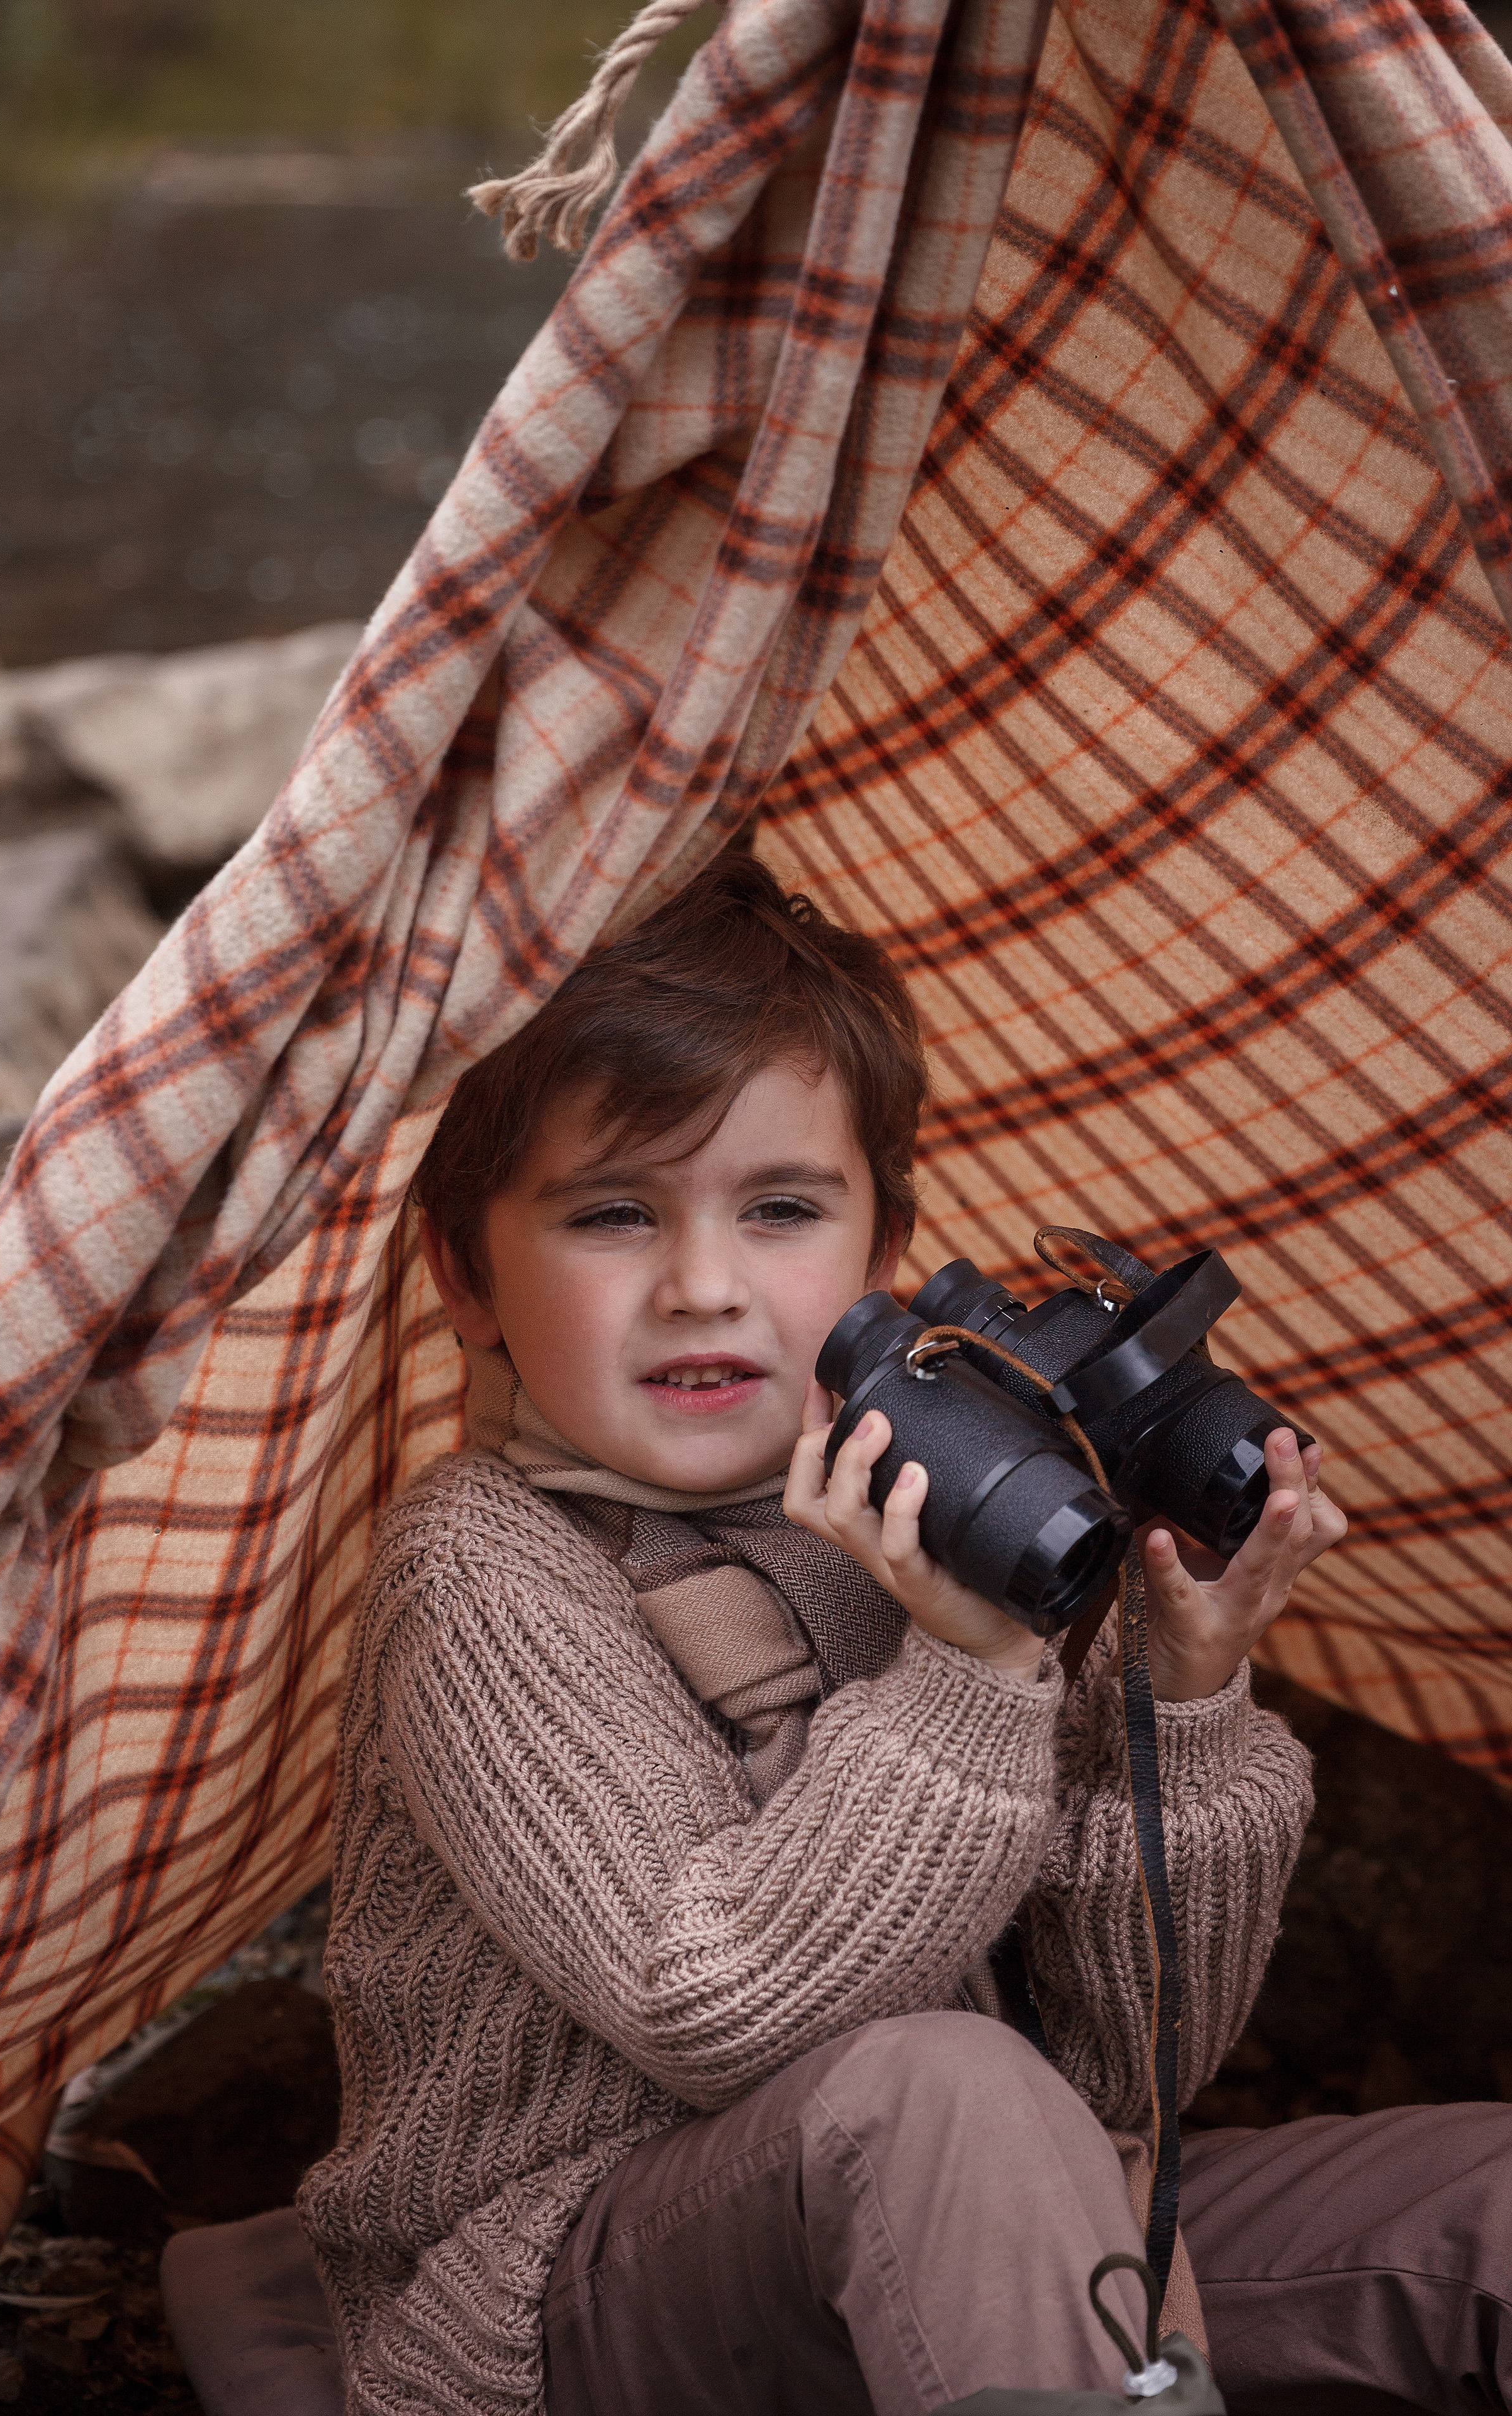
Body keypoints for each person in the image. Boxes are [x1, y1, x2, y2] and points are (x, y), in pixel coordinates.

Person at [297, 854, 1504, 2416]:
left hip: (977, 2229)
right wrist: (978, 1679)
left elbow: (1117, 2078)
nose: (703, 1287)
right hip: (574, 2304)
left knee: (1474, 2207)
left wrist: (1182, 1702)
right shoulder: (481, 1569)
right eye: (611, 1214)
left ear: (882, 1267)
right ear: (464, 1273)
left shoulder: (931, 1532)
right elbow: (711, 2003)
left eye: (780, 1210)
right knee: (939, 2091)